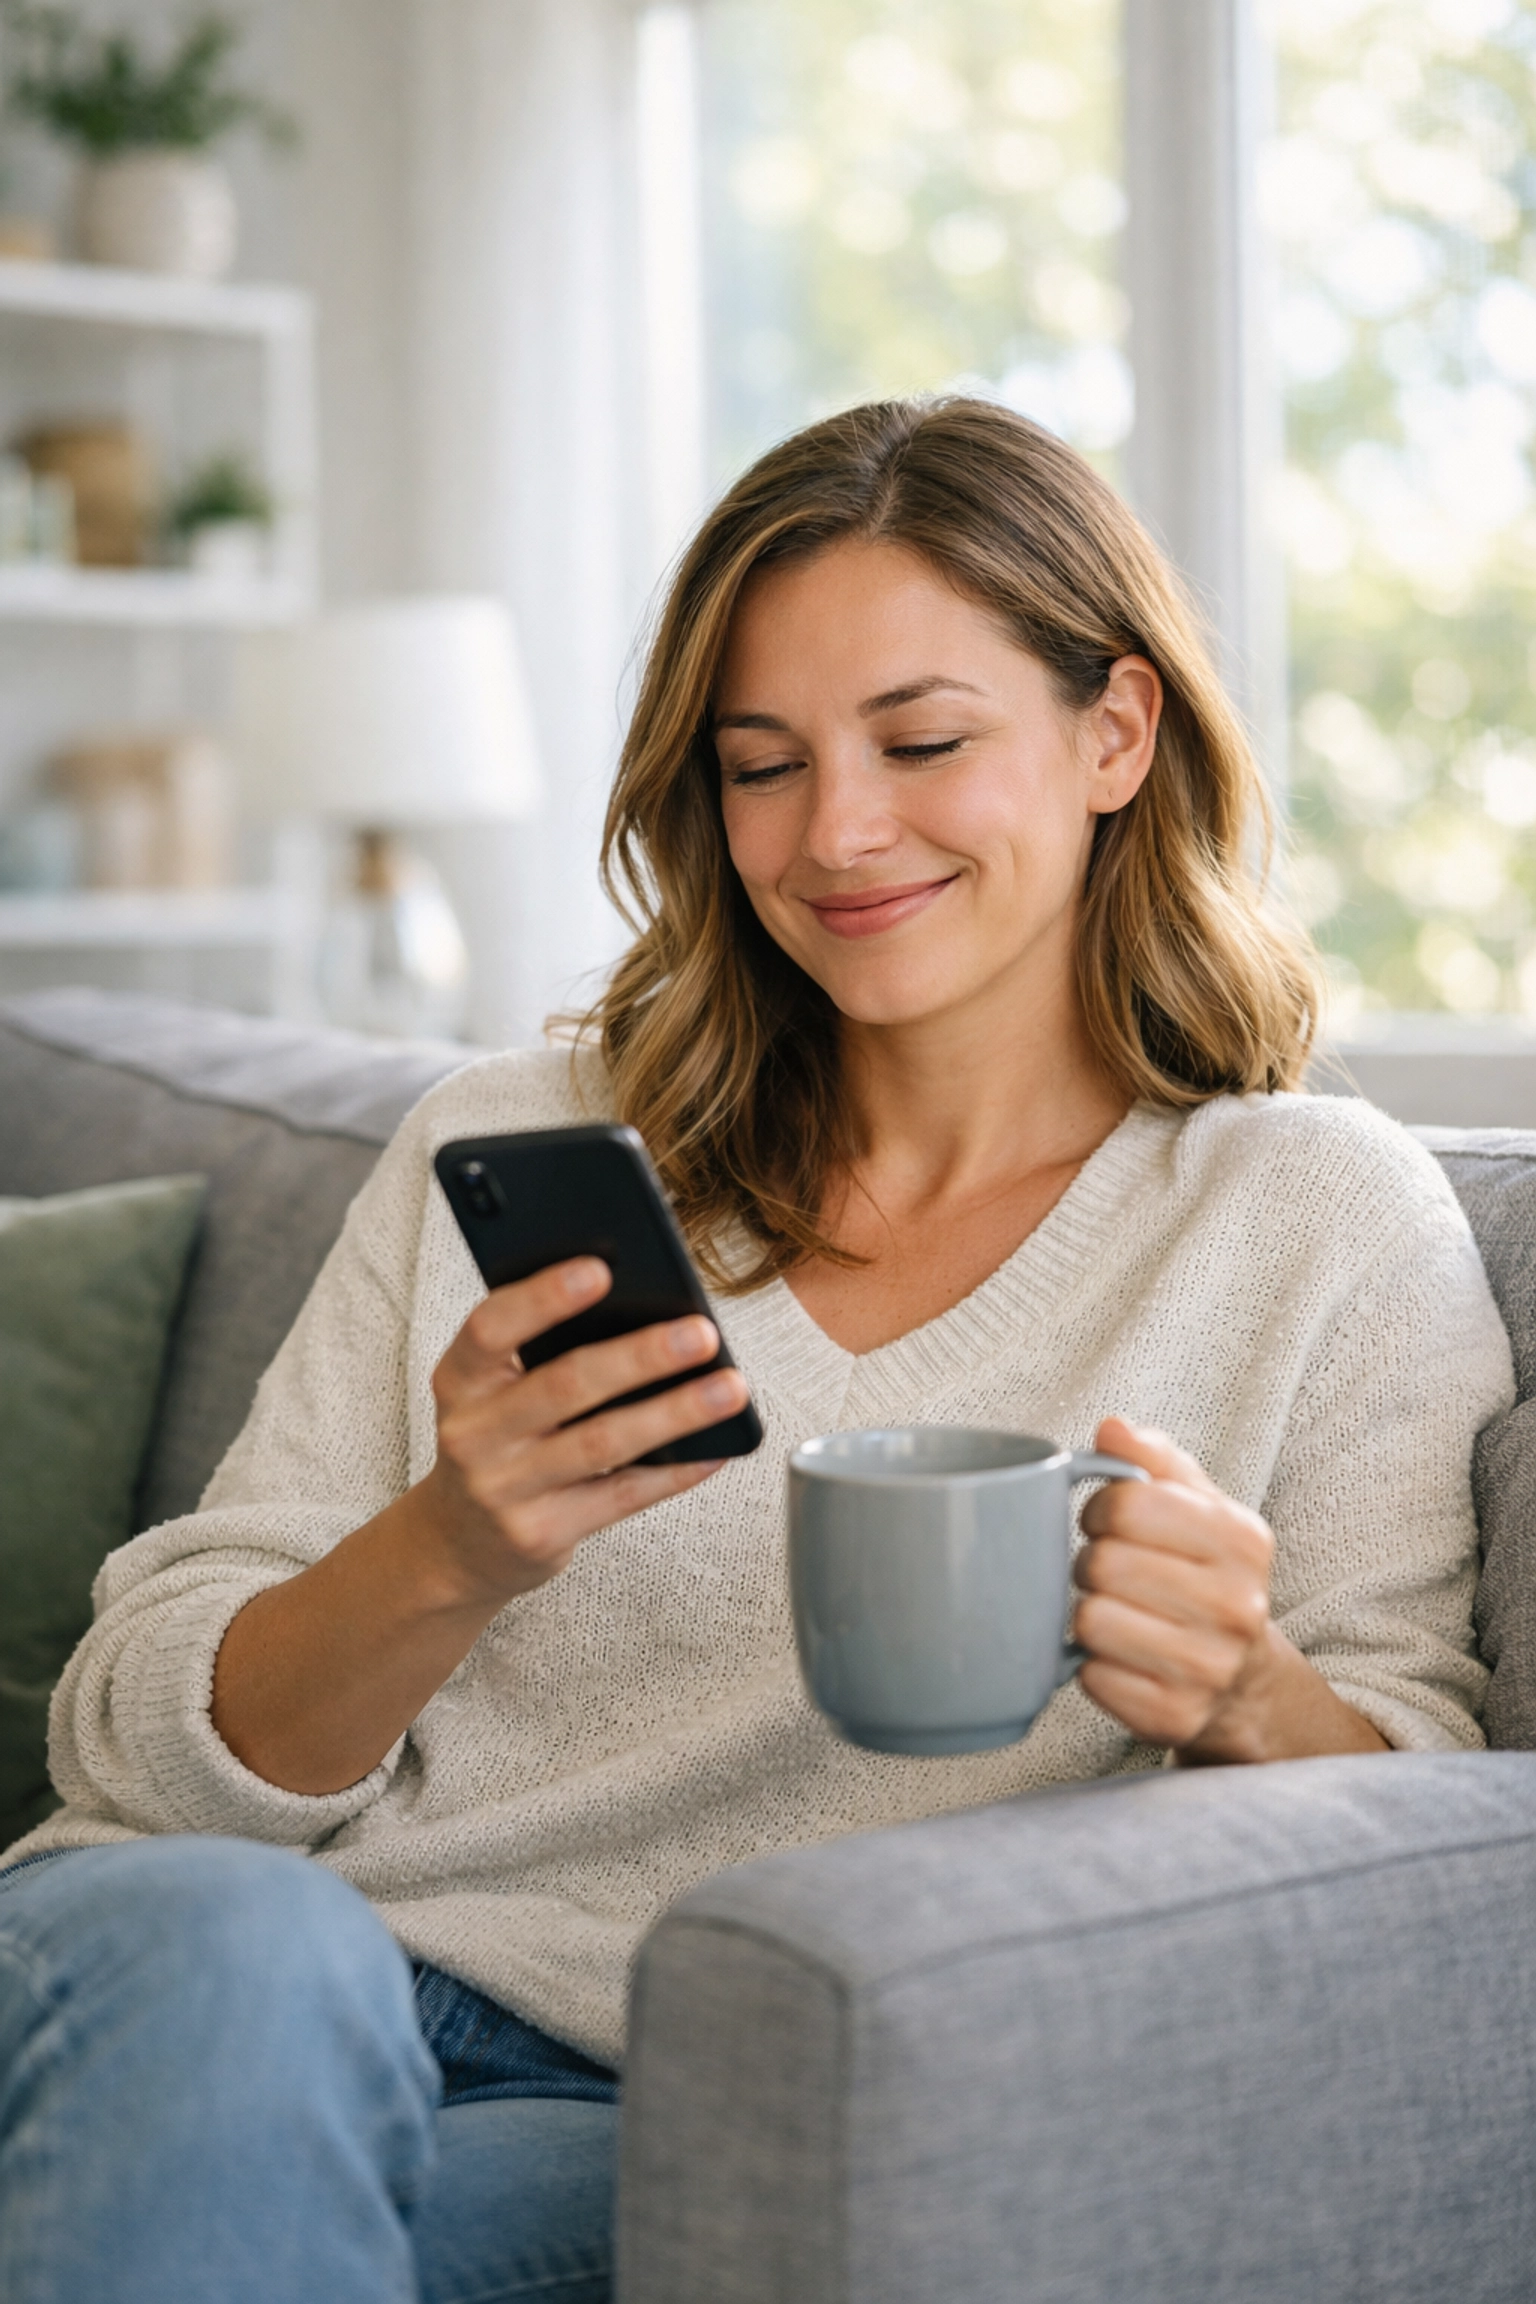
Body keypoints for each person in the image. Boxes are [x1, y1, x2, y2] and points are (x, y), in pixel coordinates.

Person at [0, 398, 1512, 2303]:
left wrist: (1242, 1694)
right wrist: (448, 1551)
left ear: (1116, 731)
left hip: (679, 2092)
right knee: (243, 1969)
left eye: (923, 741)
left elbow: (1428, 1833)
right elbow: (132, 1742)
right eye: (761, 765)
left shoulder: (1312, 1225)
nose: (837, 833)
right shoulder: (532, 1146)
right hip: (199, 1969)